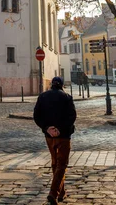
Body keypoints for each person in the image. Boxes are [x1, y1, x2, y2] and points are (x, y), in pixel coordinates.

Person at [34, 76, 76, 205]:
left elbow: (36, 116)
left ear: (51, 85)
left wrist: (47, 128)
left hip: (49, 136)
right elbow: (72, 116)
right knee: (61, 165)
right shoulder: (67, 97)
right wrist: (59, 129)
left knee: (55, 163)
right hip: (63, 136)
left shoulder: (42, 96)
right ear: (62, 86)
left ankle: (61, 192)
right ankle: (53, 193)